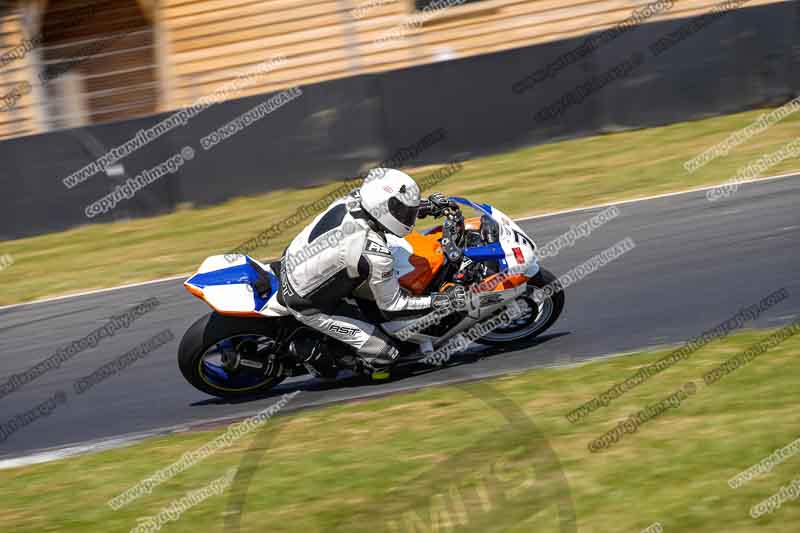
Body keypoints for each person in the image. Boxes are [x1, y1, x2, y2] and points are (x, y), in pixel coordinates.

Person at [278, 168, 467, 379]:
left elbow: (387, 210)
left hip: (293, 260)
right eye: (404, 212)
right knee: (386, 355)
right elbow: (392, 307)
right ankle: (332, 360)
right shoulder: (374, 254)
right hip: (308, 304)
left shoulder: (355, 198)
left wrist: (426, 206)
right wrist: (440, 300)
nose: (408, 217)